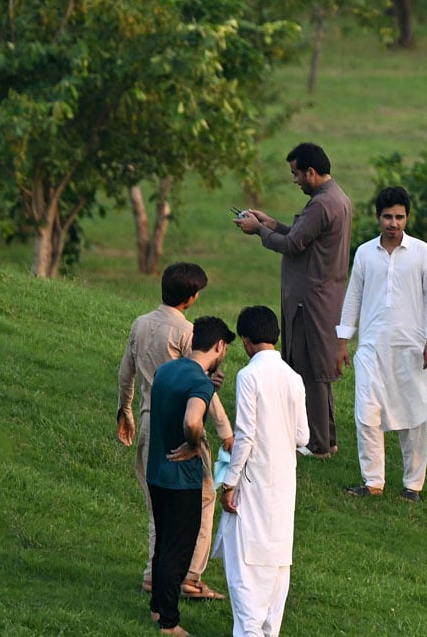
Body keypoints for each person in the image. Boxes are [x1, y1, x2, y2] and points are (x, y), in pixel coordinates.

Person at [117, 262, 231, 601]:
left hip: (149, 422)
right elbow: (195, 388)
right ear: (192, 297)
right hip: (180, 425)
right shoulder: (188, 333)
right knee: (204, 498)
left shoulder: (140, 324)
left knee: (158, 503)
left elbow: (127, 372)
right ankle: (190, 576)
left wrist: (124, 409)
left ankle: (155, 574)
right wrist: (226, 431)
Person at [234, 142, 352, 458]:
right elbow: (301, 236)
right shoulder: (336, 198)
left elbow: (292, 246)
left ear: (310, 172)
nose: (295, 180)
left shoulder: (320, 204)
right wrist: (270, 224)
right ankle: (328, 439)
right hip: (324, 297)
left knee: (308, 368)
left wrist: (258, 231)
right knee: (318, 370)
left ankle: (317, 444)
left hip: (309, 301)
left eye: (296, 173)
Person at [336, 186, 427, 503]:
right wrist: (343, 340)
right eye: (387, 217)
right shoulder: (366, 253)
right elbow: (353, 296)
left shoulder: (422, 253)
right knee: (366, 413)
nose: (393, 223)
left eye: (399, 217)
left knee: (413, 415)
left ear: (407, 217)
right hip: (371, 347)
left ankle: (413, 486)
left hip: (411, 348)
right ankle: (372, 482)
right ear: (377, 217)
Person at [215, 306, 309, 636]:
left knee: (245, 577)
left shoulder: (249, 376)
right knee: (276, 569)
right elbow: (303, 437)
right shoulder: (294, 378)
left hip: (252, 486)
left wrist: (229, 483)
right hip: (283, 488)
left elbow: (245, 436)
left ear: (246, 340)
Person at [147, 316, 235, 635]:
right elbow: (192, 420)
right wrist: (193, 443)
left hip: (156, 471)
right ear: (219, 346)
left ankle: (158, 609)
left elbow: (177, 399)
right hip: (181, 478)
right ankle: (169, 624)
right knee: (178, 551)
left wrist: (206, 386)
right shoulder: (197, 382)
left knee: (163, 545)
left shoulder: (168, 369)